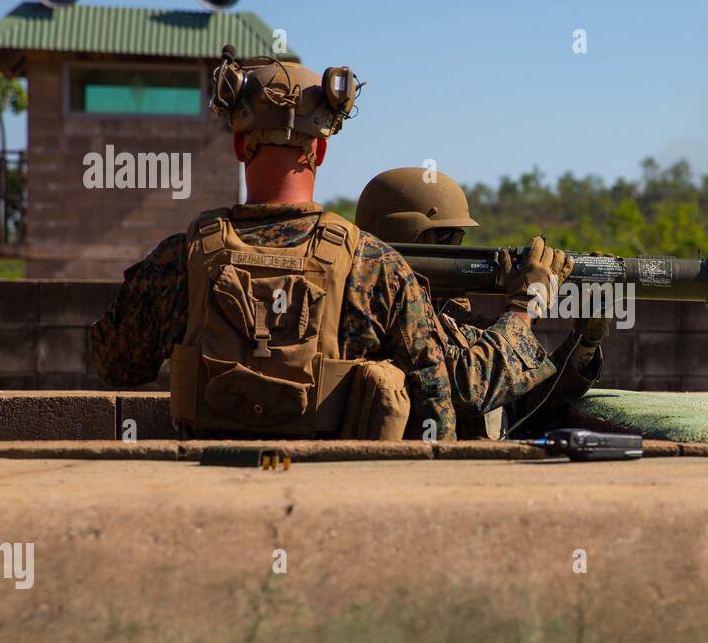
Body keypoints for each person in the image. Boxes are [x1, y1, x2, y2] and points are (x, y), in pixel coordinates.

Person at [89, 51, 455, 440]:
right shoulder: (376, 265)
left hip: (206, 487)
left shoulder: (178, 259)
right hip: (335, 490)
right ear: (320, 151)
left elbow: (114, 364)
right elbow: (434, 405)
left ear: (239, 145)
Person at [355, 166, 608, 438]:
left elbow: (525, 401)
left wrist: (584, 344)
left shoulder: (447, 311)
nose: (456, 247)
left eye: (458, 236)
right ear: (403, 233)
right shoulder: (379, 309)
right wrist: (525, 305)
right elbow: (470, 388)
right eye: (445, 236)